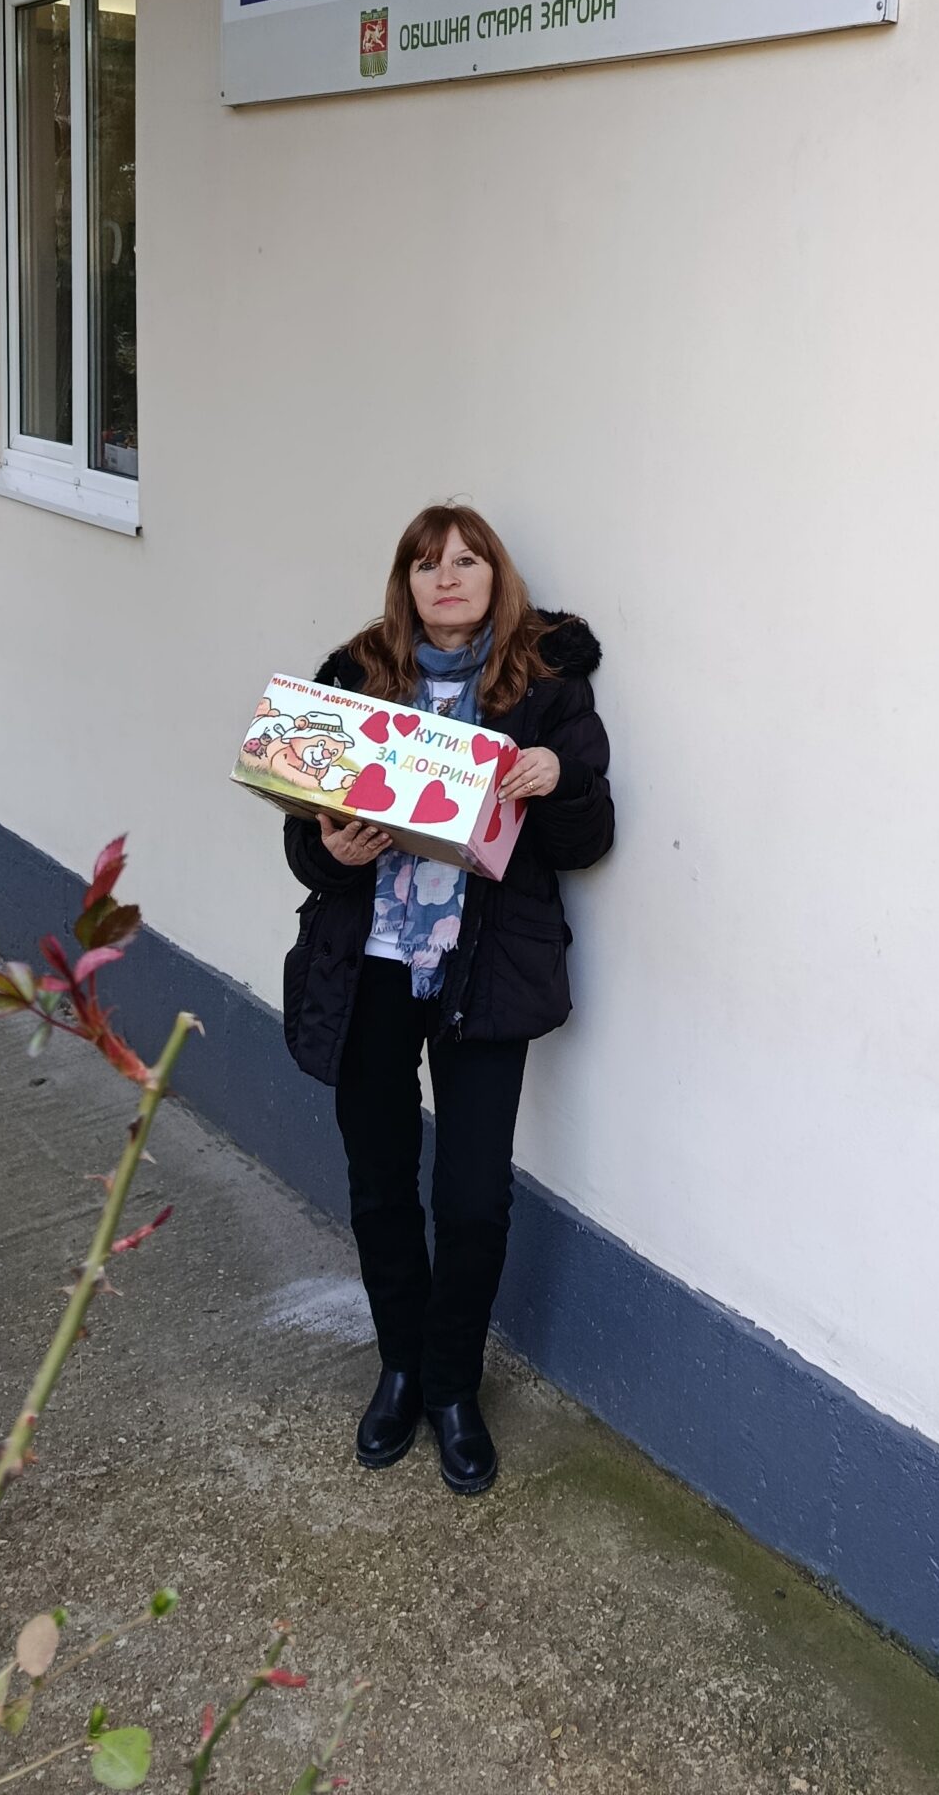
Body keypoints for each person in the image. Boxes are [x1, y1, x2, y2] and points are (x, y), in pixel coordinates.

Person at [281, 505, 613, 1494]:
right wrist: (331, 851)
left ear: (494, 575)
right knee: (381, 1181)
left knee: (473, 1200)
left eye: (467, 560)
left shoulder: (546, 687)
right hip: (373, 962)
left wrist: (559, 778)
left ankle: (452, 1385)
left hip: (486, 966)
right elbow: (305, 836)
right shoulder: (355, 677)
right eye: (427, 564)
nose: (448, 577)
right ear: (406, 585)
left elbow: (587, 840)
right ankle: (399, 1369)